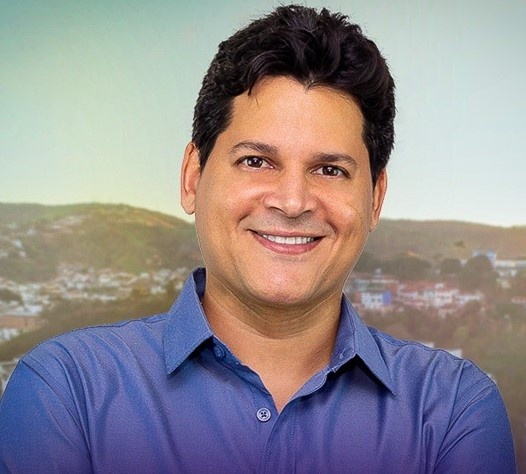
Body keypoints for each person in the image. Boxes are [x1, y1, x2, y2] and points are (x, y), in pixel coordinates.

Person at [0, 4, 516, 473]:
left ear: (375, 198)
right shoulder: (68, 393)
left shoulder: (451, 411)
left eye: (330, 170)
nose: (292, 202)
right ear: (192, 177)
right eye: (256, 161)